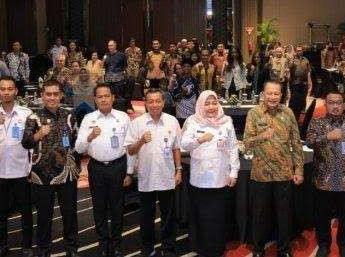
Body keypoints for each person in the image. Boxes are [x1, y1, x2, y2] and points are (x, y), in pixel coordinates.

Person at [242, 80, 304, 257]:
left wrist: (298, 170)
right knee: (259, 216)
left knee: (284, 216)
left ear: (281, 95)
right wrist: (262, 135)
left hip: (284, 174)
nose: (273, 97)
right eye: (269, 93)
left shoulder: (289, 113)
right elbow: (246, 143)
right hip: (260, 175)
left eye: (276, 94)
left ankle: (283, 250)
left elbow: (296, 144)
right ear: (263, 94)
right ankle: (258, 249)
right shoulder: (254, 113)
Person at [21, 80, 81, 257]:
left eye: (56, 94)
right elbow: (25, 143)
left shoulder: (70, 115)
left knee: (70, 213)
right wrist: (39, 134)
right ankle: (43, 250)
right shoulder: (33, 117)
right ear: (42, 95)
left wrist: (76, 167)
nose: (52, 97)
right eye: (48, 94)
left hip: (67, 175)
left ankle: (71, 248)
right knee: (44, 216)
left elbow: (76, 143)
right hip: (41, 175)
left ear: (61, 95)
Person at [305, 88, 345, 257]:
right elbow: (309, 142)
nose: (335, 106)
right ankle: (324, 244)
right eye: (331, 103)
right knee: (322, 215)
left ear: (344, 105)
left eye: (338, 103)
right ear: (325, 104)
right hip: (323, 179)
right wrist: (327, 136)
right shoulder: (317, 123)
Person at [75, 84, 134, 257]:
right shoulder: (88, 119)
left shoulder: (123, 117)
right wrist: (90, 136)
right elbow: (79, 148)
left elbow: (130, 147)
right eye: (99, 96)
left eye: (106, 96)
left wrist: (129, 172)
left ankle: (116, 243)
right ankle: (102, 242)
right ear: (95, 99)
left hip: (118, 166)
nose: (103, 99)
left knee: (117, 207)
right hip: (97, 168)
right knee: (99, 207)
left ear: (113, 97)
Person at [180, 91, 240, 257]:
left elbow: (233, 148)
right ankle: (201, 248)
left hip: (220, 177)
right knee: (202, 216)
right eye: (207, 103)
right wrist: (199, 140)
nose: (211, 107)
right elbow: (183, 144)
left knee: (217, 217)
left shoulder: (226, 121)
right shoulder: (192, 121)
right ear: (200, 104)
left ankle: (217, 249)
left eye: (214, 103)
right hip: (200, 179)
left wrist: (234, 172)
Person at [0, 76, 33, 257]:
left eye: (10, 89)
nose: (6, 92)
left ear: (16, 91)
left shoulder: (26, 114)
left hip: (21, 170)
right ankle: (2, 246)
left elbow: (33, 140)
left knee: (25, 211)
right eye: (3, 89)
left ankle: (26, 246)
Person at [125, 89, 183, 257]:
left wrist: (179, 170)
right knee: (146, 217)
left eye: (158, 101)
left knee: (168, 215)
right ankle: (148, 247)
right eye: (151, 101)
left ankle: (168, 247)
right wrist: (141, 140)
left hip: (167, 176)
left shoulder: (172, 121)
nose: (155, 104)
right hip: (146, 177)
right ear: (146, 103)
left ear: (163, 103)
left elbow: (176, 148)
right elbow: (130, 150)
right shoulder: (137, 123)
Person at [289, 45, 312, 122]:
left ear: (302, 51)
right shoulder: (293, 60)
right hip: (295, 82)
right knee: (295, 100)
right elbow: (289, 71)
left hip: (304, 82)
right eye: (298, 50)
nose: (299, 52)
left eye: (300, 50)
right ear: (296, 52)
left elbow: (308, 72)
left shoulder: (306, 60)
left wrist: (309, 81)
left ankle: (302, 111)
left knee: (303, 97)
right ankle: (294, 114)